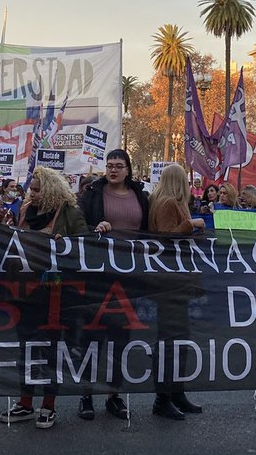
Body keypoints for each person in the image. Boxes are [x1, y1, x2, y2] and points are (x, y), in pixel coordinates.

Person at [0, 167, 87, 430]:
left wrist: (67, 243)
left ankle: (48, 405)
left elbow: (84, 247)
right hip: (24, 290)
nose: (32, 194)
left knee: (51, 349)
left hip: (54, 291)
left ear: (51, 190)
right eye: (31, 189)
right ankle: (25, 402)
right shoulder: (24, 211)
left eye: (38, 190)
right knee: (26, 347)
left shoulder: (69, 213)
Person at [76, 149, 148, 422]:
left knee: (121, 338)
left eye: (118, 166)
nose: (113, 170)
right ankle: (86, 395)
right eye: (109, 166)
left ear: (128, 169)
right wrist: (95, 227)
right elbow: (78, 226)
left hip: (129, 275)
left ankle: (113, 395)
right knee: (92, 337)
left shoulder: (140, 195)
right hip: (99, 274)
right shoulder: (93, 193)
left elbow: (149, 231)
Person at [146, 163, 206, 420]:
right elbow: (167, 237)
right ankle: (163, 397)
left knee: (179, 338)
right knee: (171, 340)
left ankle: (176, 391)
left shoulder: (167, 202)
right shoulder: (168, 203)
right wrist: (190, 224)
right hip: (169, 281)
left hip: (175, 279)